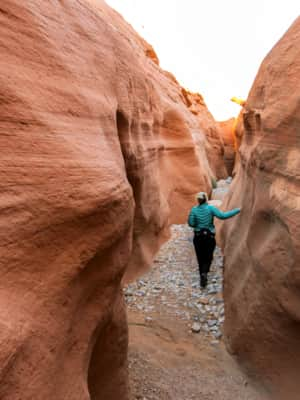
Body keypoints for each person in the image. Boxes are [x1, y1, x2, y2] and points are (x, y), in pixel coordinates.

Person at [188, 192, 240, 288]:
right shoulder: (211, 208)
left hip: (198, 236)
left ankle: (202, 276)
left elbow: (191, 223)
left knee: (200, 257)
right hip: (209, 236)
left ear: (198, 200)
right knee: (208, 256)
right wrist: (237, 210)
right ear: (206, 199)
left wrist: (198, 224)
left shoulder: (194, 210)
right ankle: (205, 272)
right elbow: (222, 216)